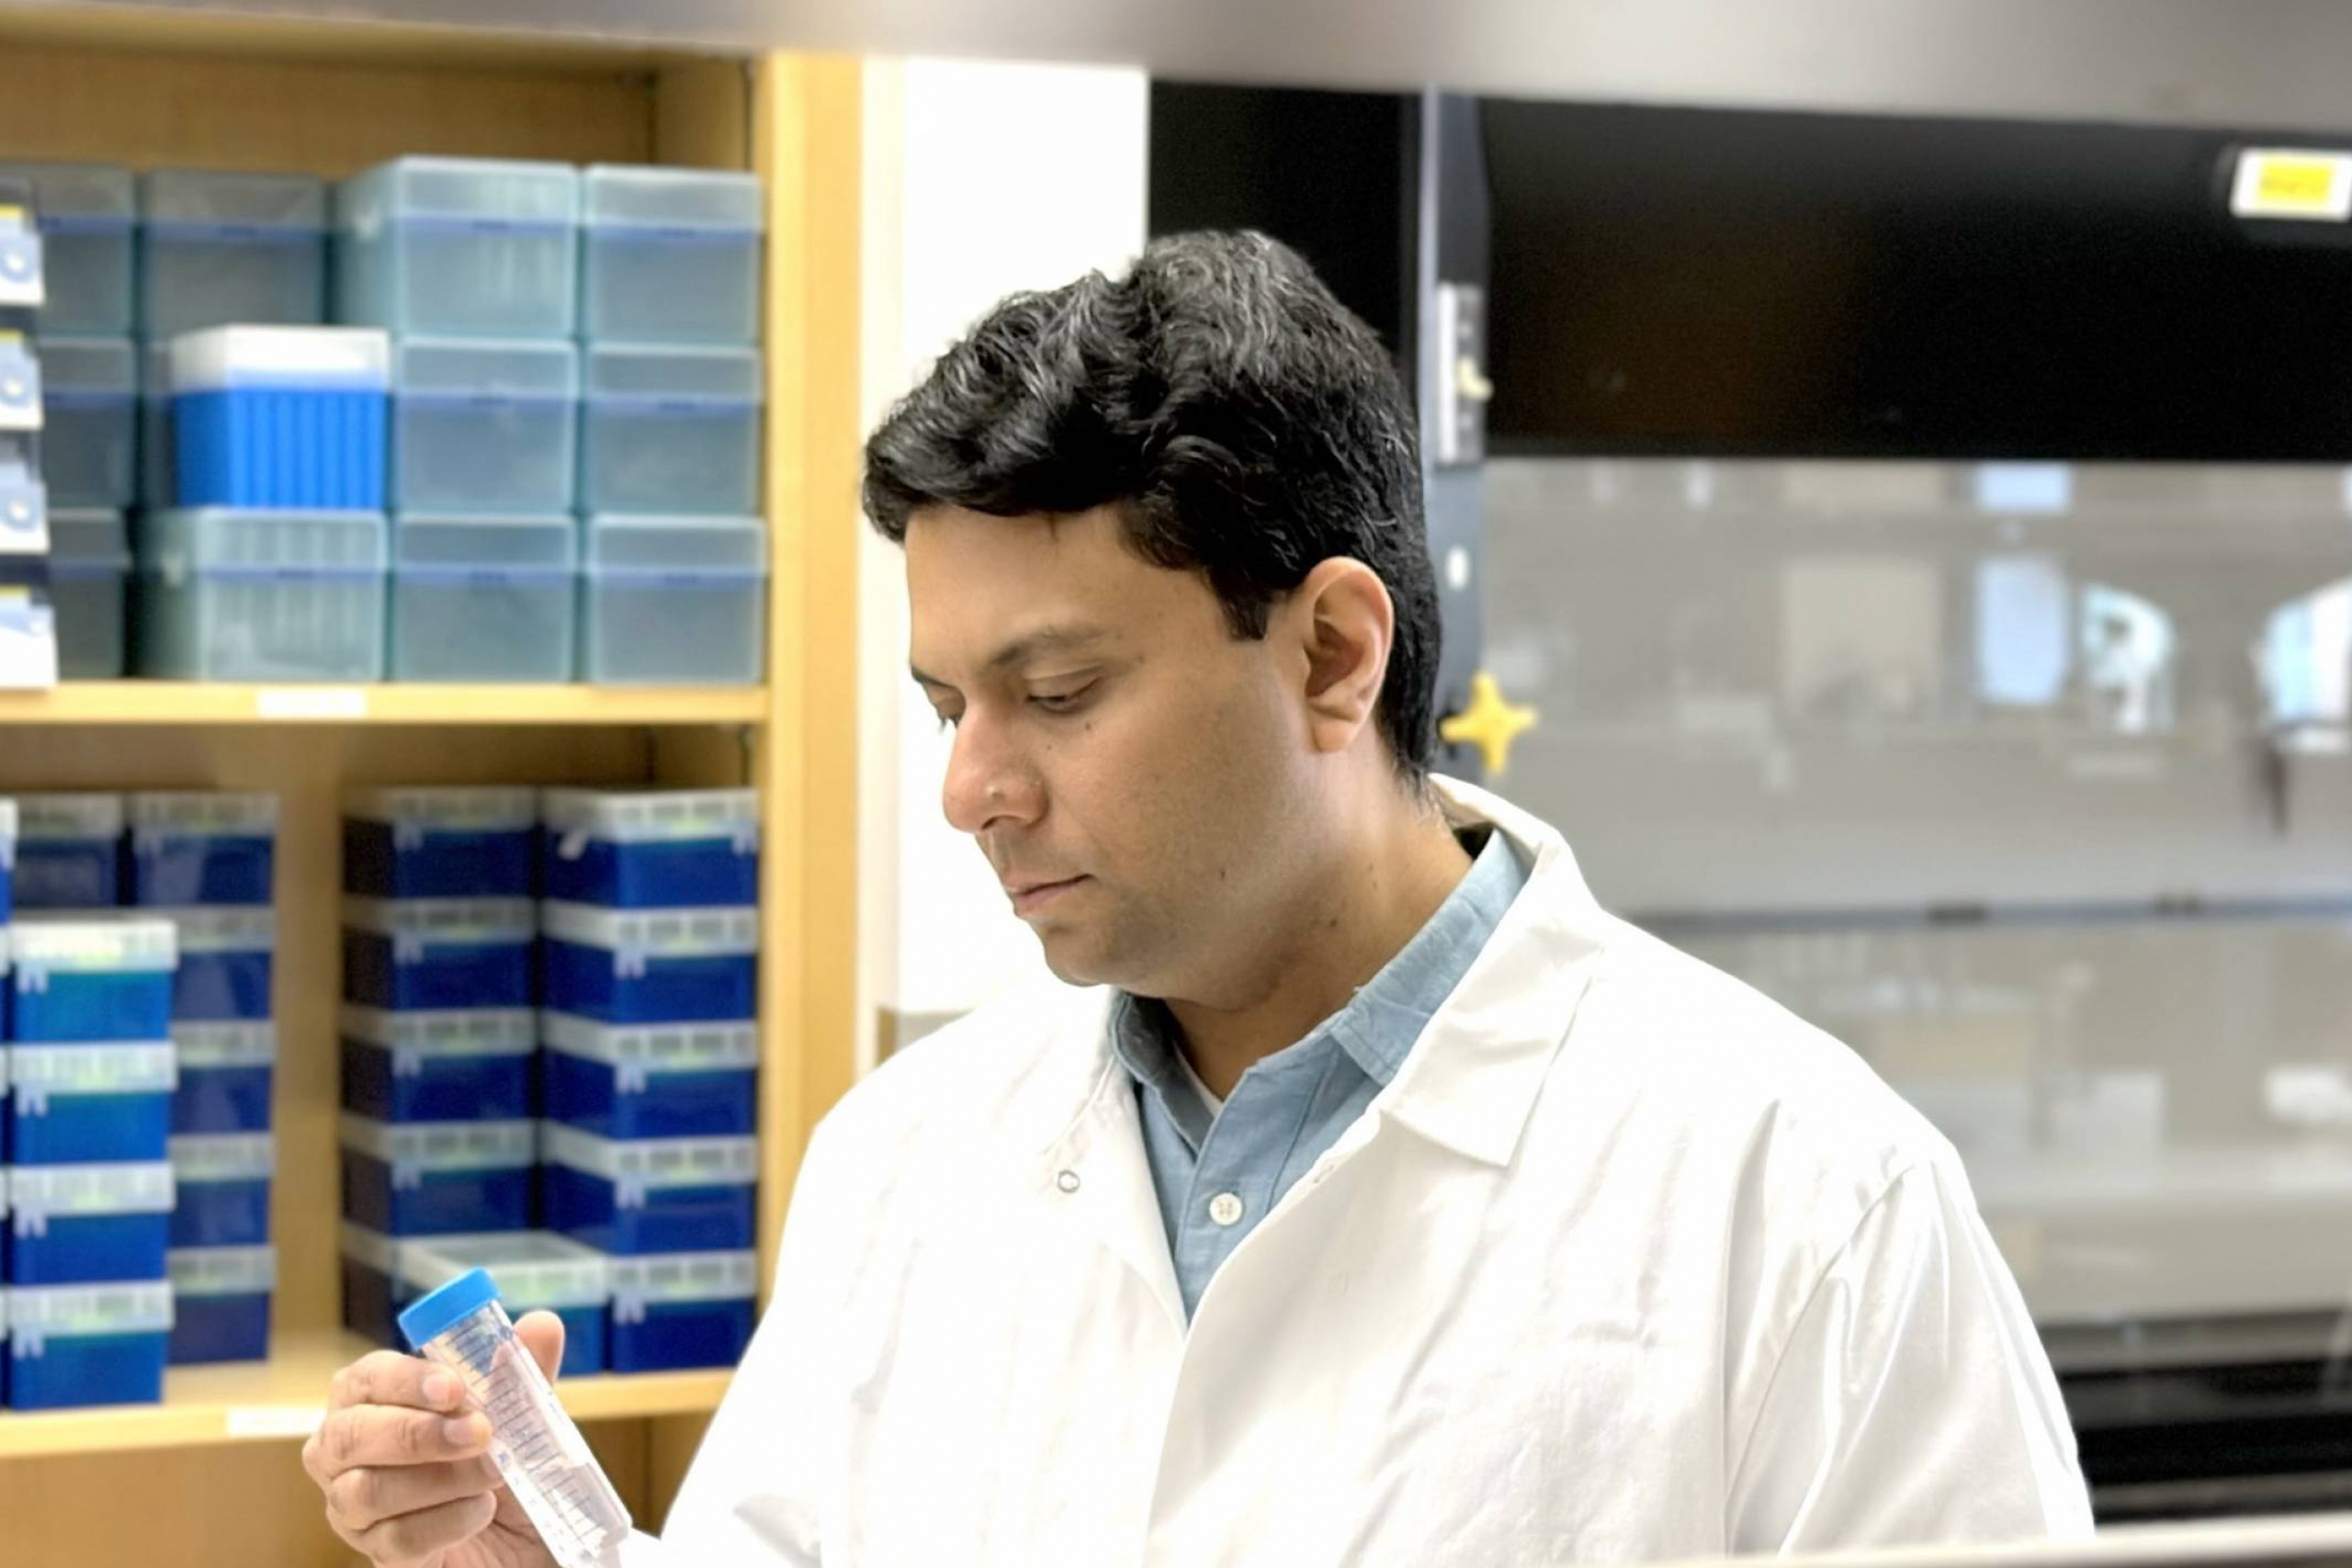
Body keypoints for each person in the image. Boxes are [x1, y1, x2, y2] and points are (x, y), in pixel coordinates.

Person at [303, 231, 2092, 1566]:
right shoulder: (902, 1159)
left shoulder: (1801, 1198)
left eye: (1057, 694)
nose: (968, 787)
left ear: (1328, 650)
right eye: (946, 707)